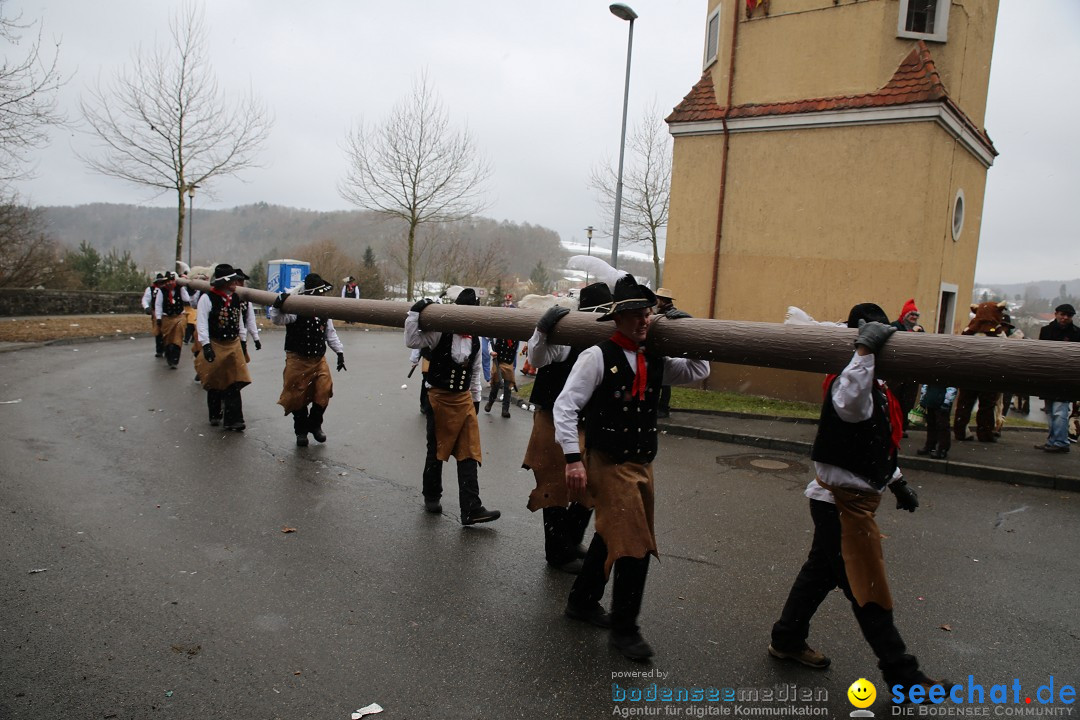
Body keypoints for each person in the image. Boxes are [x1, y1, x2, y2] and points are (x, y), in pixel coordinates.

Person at [768, 303, 947, 696]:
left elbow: (875, 445)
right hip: (839, 504)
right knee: (867, 589)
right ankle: (903, 675)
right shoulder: (849, 380)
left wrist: (897, 482)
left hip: (850, 501)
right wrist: (864, 352)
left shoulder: (874, 385)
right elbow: (849, 408)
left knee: (820, 574)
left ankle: (786, 639)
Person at [555, 274, 709, 661]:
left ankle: (582, 601)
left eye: (648, 314)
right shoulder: (597, 356)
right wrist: (574, 458)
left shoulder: (654, 359)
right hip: (609, 462)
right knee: (635, 545)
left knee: (612, 535)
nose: (644, 321)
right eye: (636, 315)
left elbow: (698, 372)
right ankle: (626, 630)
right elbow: (565, 407)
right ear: (619, 318)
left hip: (641, 462)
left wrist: (688, 329)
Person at [523, 282, 613, 574]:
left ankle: (571, 541)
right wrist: (542, 330)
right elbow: (536, 358)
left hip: (585, 420)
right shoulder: (566, 334)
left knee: (589, 485)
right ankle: (557, 552)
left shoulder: (603, 340)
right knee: (554, 485)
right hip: (553, 417)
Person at [405, 288, 501, 526]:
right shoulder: (439, 331)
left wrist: (476, 401)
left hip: (464, 399)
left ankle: (471, 508)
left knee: (469, 452)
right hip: (438, 397)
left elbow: (475, 372)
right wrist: (414, 313)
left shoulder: (477, 340)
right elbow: (412, 340)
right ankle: (432, 495)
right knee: (436, 450)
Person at [269, 273, 347, 447]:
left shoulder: (324, 311)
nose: (323, 297)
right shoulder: (297, 309)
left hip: (319, 359)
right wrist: (277, 305)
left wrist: (339, 352)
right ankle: (301, 431)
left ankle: (315, 424)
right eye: (320, 294)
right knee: (298, 397)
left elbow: (330, 333)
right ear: (312, 294)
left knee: (324, 391)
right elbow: (277, 319)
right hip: (298, 359)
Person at [193, 264, 252, 431]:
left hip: (232, 344)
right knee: (216, 380)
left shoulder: (235, 297)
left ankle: (234, 419)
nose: (236, 284)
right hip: (216, 343)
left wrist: (242, 340)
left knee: (234, 381)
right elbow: (202, 323)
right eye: (233, 281)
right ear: (225, 282)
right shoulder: (207, 298)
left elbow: (239, 319)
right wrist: (206, 346)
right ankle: (215, 412)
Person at [1034, 303, 1080, 453]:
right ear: (1056, 314)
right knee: (1049, 411)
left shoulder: (1077, 333)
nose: (1065, 318)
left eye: (1068, 315)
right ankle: (1052, 441)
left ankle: (1060, 442)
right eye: (1062, 314)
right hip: (1048, 377)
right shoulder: (1046, 331)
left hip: (1065, 379)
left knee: (1060, 411)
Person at [652, 288, 691, 418]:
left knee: (664, 383)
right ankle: (662, 408)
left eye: (658, 298)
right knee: (663, 382)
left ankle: (663, 408)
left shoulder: (669, 313)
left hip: (665, 351)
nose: (656, 301)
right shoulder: (667, 312)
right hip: (665, 350)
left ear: (662, 300)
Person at [890, 299, 924, 436]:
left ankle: (902, 427)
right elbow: (896, 344)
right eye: (912, 314)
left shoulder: (920, 330)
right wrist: (911, 335)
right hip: (896, 372)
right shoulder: (895, 326)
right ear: (905, 315)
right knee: (894, 401)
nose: (914, 317)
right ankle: (892, 426)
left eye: (916, 315)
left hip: (911, 373)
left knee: (907, 403)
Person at [153, 271, 191, 369]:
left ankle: (175, 360)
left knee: (177, 339)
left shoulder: (179, 289)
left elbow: (186, 299)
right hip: (167, 318)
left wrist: (182, 287)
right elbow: (158, 305)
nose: (170, 283)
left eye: (172, 281)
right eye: (168, 281)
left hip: (179, 317)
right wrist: (158, 318)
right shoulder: (162, 291)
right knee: (168, 339)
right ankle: (169, 357)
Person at [916, 383, 956, 460]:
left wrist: (947, 402)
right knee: (931, 424)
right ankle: (930, 446)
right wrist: (923, 399)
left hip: (941, 401)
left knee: (942, 425)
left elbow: (952, 387)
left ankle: (942, 448)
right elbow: (925, 384)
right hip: (931, 399)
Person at [484, 336, 519, 418]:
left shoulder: (517, 334)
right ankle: (490, 402)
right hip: (498, 362)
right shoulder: (499, 332)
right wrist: (491, 352)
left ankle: (505, 409)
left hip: (509, 363)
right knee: (495, 385)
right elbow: (491, 342)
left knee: (508, 387)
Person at [236, 271, 262, 363]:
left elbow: (250, 319)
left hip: (240, 336)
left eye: (242, 281)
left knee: (240, 365)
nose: (241, 284)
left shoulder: (246, 300)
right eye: (239, 281)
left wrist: (256, 338)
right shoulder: (229, 298)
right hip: (227, 336)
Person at [141, 272, 166, 358]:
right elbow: (145, 299)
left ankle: (168, 349)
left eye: (162, 282)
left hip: (167, 313)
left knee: (167, 332)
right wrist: (147, 307)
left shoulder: (167, 289)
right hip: (156, 312)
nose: (160, 284)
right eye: (159, 282)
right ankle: (159, 350)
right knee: (158, 331)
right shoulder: (151, 289)